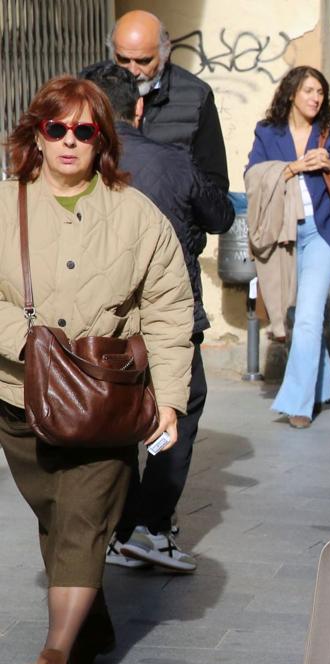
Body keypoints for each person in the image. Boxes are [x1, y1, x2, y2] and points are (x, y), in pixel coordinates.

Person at [0, 76, 194, 664]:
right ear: (36, 133)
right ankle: (91, 626)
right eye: (57, 128)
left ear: (102, 140)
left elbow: (169, 310)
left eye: (84, 131)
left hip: (107, 401)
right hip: (20, 397)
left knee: (84, 520)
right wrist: (27, 344)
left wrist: (168, 400)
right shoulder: (6, 204)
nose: (68, 142)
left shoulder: (137, 215)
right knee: (56, 519)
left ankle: (55, 656)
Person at [81, 64, 232, 574]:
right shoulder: (171, 161)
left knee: (112, 419)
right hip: (170, 314)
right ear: (138, 107)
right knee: (180, 411)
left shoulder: (72, 165)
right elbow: (221, 215)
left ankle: (116, 528)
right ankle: (148, 526)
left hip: (98, 321)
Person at [246, 67, 330, 429]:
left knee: (307, 315)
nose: (315, 98)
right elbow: (253, 176)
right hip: (284, 233)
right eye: (308, 90)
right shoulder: (267, 132)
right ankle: (322, 384)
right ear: (291, 93)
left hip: (325, 233)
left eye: (320, 91)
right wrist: (292, 168)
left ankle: (298, 405)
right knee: (295, 315)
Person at [97, 11, 228, 195]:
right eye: (123, 59)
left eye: (143, 61)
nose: (133, 71)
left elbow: (215, 183)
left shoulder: (195, 97)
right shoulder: (95, 88)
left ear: (165, 52)